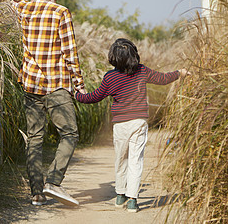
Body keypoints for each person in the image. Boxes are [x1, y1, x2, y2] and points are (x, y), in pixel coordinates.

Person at [75, 38, 190, 213]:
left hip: (121, 125)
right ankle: (132, 200)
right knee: (136, 160)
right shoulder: (142, 71)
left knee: (121, 158)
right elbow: (163, 78)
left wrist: (78, 95)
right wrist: (179, 72)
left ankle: (120, 194)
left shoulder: (110, 77)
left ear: (113, 57)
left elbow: (94, 97)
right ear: (134, 55)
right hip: (139, 122)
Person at [10, 0, 86, 207]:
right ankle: (53, 181)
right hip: (55, 85)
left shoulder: (25, 9)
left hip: (31, 83)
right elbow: (70, 52)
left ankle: (36, 194)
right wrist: (79, 85)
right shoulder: (61, 12)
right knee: (70, 134)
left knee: (35, 138)